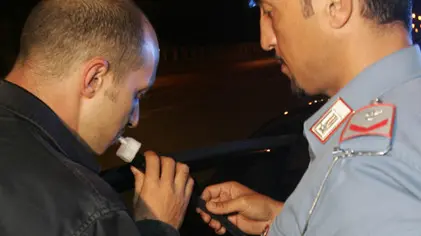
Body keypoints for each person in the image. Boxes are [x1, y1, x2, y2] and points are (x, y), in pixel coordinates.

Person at [198, 0, 421, 235]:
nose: (266, 40)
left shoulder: (360, 170)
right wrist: (291, 220)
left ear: (336, 6)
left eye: (270, 12)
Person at [0, 0, 194, 235]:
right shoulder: (86, 212)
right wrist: (158, 227)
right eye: (137, 95)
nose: (135, 119)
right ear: (94, 79)